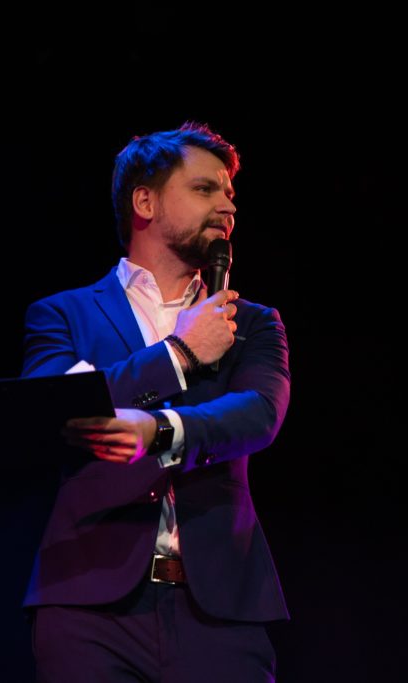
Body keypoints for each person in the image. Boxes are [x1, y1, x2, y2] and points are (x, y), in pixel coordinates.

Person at [21, 122, 290, 682]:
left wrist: (159, 430)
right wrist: (178, 354)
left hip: (219, 610)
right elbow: (57, 410)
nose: (227, 206)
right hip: (90, 607)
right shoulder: (64, 315)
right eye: (204, 189)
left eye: (229, 193)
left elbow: (257, 414)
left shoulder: (252, 323)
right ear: (144, 202)